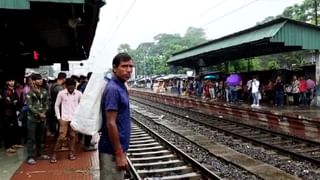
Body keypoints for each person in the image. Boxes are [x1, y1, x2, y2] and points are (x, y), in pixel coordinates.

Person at [99, 52, 134, 180]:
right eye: (124, 66)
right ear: (114, 68)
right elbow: (110, 123)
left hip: (116, 149)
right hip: (111, 151)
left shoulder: (121, 86)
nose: (129, 70)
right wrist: (119, 154)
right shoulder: (113, 89)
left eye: (131, 66)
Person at [51, 78, 82, 163]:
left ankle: (71, 153)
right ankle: (54, 154)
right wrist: (59, 118)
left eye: (73, 87)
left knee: (73, 137)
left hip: (74, 119)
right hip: (64, 119)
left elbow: (81, 106)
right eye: (69, 87)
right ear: (66, 86)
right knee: (61, 137)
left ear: (75, 86)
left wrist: (79, 118)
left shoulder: (79, 94)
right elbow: (56, 105)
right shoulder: (61, 93)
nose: (71, 89)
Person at [26, 73, 50, 165]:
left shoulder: (44, 91)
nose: (41, 80)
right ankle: (30, 156)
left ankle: (40, 154)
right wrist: (39, 113)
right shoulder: (30, 92)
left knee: (40, 137)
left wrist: (44, 112)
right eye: (38, 79)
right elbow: (29, 106)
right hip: (32, 118)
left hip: (42, 118)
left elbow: (46, 103)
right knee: (31, 138)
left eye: (41, 79)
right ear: (33, 81)